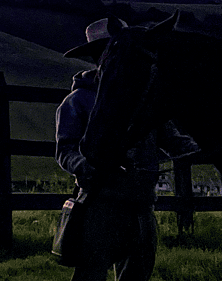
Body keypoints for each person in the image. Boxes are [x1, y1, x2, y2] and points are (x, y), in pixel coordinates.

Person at [55, 18, 195, 281]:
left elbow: (172, 139)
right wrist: (87, 166)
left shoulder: (144, 97)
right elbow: (65, 151)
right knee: (91, 273)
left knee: (138, 273)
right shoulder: (77, 101)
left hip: (142, 203)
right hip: (100, 202)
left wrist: (199, 147)